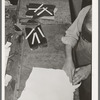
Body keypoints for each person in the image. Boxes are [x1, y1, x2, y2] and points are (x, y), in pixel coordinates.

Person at [61, 5, 92, 100]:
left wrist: (90, 68)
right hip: (80, 56)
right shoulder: (86, 10)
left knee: (89, 92)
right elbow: (71, 34)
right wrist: (69, 59)